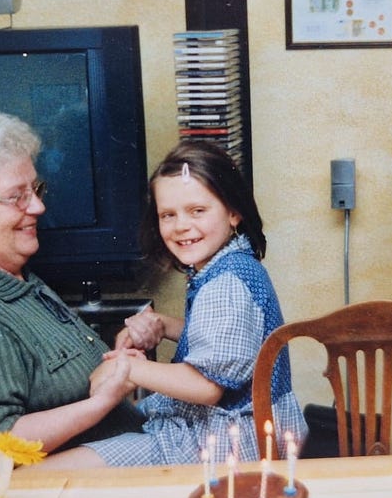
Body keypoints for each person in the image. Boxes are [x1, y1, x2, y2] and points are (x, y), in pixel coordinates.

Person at [40, 140, 307, 468]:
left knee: (53, 471)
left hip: (228, 444)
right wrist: (165, 325)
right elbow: (227, 344)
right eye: (168, 215)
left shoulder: (225, 284)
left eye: (198, 210)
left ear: (233, 212)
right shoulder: (231, 264)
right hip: (241, 430)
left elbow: (207, 386)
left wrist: (130, 368)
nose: (181, 225)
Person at [0, 107, 144, 453]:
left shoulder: (7, 271)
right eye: (16, 196)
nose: (37, 207)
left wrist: (114, 362)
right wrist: (100, 404)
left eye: (35, 189)